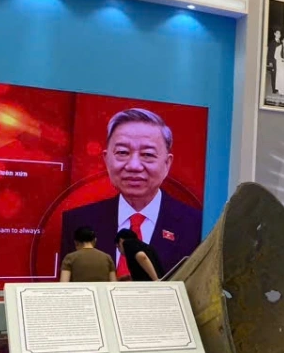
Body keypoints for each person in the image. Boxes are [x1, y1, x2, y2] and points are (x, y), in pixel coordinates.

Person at [60, 108, 202, 279]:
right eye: (122, 153)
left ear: (167, 163)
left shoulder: (197, 224)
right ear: (106, 159)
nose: (134, 166)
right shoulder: (77, 220)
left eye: (147, 154)